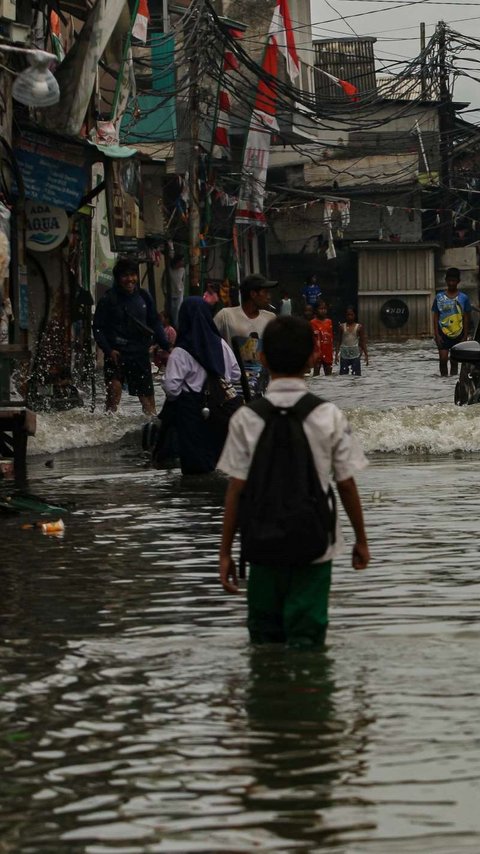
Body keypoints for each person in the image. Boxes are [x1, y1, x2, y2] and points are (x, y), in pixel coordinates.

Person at [217, 315, 370, 646]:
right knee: (308, 641)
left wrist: (225, 551)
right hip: (314, 545)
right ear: (313, 357)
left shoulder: (246, 418)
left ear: (262, 358)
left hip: (261, 545)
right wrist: (361, 539)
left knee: (264, 642)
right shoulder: (328, 415)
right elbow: (345, 483)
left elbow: (236, 489)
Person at [162, 297, 241, 474]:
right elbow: (236, 374)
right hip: (222, 409)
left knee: (195, 467)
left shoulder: (180, 352)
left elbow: (171, 389)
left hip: (192, 414)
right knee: (219, 462)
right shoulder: (221, 344)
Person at [93, 258, 169, 415]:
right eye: (125, 275)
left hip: (140, 355)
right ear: (118, 278)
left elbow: (155, 322)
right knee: (114, 395)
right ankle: (107, 431)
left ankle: (149, 432)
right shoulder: (108, 300)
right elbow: (98, 328)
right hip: (117, 355)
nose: (130, 279)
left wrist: (167, 347)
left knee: (148, 404)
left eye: (133, 275)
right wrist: (108, 350)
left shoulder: (144, 297)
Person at [214, 273, 276, 397]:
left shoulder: (271, 319)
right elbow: (209, 342)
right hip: (233, 386)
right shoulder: (225, 316)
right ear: (253, 294)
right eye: (265, 292)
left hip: (262, 386)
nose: (269, 297)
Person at [432, 267, 472, 376]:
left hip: (458, 334)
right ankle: (443, 380)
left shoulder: (464, 298)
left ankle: (452, 382)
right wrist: (436, 334)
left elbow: (466, 318)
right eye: (449, 280)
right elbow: (436, 316)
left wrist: (465, 336)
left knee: (454, 361)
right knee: (443, 360)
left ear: (458, 282)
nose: (451, 283)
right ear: (446, 281)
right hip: (442, 333)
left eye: (453, 281)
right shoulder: (439, 297)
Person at [335, 307, 368, 376]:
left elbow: (362, 341)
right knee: (343, 375)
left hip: (355, 355)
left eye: (351, 315)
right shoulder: (341, 327)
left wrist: (366, 355)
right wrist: (336, 355)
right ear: (345, 316)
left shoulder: (359, 327)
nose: (349, 317)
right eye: (348, 315)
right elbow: (338, 341)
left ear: (354, 315)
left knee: (356, 375)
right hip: (344, 354)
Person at [311, 300, 334, 376]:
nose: (323, 311)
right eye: (321, 309)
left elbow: (331, 338)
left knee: (328, 374)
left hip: (327, 351)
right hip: (317, 352)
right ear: (316, 310)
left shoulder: (329, 322)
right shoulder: (313, 323)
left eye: (324, 308)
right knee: (316, 373)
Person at [169, 254, 185, 327]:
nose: (182, 263)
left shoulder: (182, 270)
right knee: (172, 312)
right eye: (181, 261)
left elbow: (183, 280)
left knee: (179, 311)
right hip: (171, 294)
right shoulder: (169, 270)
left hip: (179, 294)